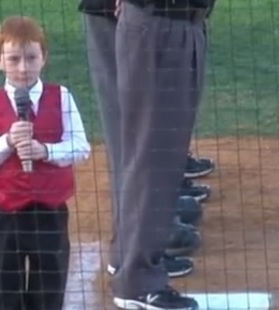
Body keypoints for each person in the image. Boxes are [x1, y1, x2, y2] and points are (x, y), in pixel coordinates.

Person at [78, 0, 216, 309]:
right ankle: (138, 278)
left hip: (142, 16)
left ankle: (131, 254)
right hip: (157, 18)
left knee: (136, 148)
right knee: (152, 153)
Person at [0, 15, 91, 310]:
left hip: (49, 211)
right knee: (0, 286)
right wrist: (7, 142)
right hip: (5, 211)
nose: (23, 68)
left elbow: (81, 148)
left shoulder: (61, 97)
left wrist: (45, 151)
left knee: (49, 287)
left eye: (31, 58)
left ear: (44, 58)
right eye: (13, 59)